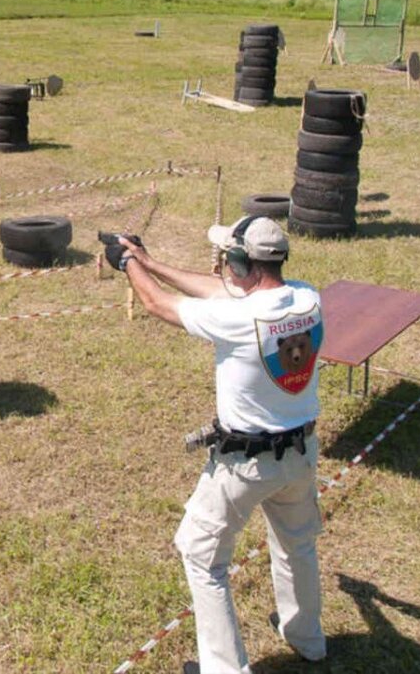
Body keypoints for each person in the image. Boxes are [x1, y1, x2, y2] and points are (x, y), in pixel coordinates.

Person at [107, 216, 326, 674]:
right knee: (297, 546)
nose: (224, 266)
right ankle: (307, 638)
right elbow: (219, 291)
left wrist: (128, 263)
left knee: (201, 555)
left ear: (244, 263)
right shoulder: (307, 298)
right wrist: (149, 260)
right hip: (301, 454)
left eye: (229, 258)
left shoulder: (238, 317)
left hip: (246, 464)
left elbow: (156, 304)